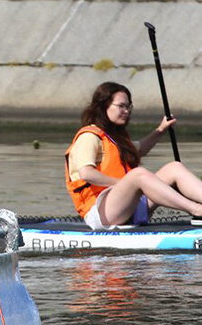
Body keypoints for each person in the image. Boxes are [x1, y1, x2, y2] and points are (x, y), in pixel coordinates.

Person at [66, 81, 202, 229]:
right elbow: (86, 174)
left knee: (174, 168)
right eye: (121, 106)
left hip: (129, 206)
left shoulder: (115, 137)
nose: (126, 111)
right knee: (138, 175)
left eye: (128, 106)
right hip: (101, 214)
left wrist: (161, 129)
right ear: (103, 106)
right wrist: (125, 183)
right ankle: (196, 209)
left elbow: (140, 149)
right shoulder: (89, 136)